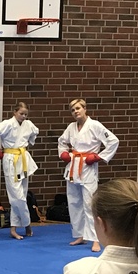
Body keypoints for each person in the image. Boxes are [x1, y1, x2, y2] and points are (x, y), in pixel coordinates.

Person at [58, 98, 119, 252]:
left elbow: (113, 141)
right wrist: (63, 153)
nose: (76, 112)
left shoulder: (95, 125)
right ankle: (80, 235)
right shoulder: (71, 127)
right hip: (73, 167)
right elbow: (61, 141)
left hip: (88, 167)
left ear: (85, 109)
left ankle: (95, 239)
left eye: (78, 108)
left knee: (89, 203)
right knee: (74, 202)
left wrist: (99, 157)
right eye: (73, 110)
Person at [0, 101, 40, 239]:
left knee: (22, 195)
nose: (23, 116)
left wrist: (28, 142)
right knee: (17, 197)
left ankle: (14, 228)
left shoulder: (29, 125)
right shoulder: (7, 124)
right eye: (21, 114)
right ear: (14, 112)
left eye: (26, 114)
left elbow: (35, 132)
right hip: (10, 160)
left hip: (23, 159)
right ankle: (27, 224)